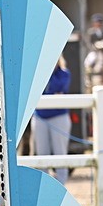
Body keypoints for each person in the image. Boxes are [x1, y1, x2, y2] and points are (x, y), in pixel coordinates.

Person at [31, 56, 71, 184]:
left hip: (59, 117)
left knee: (60, 151)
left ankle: (61, 184)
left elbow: (58, 87)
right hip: (39, 117)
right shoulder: (36, 74)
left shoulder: (64, 74)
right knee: (42, 152)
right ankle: (44, 184)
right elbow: (34, 92)